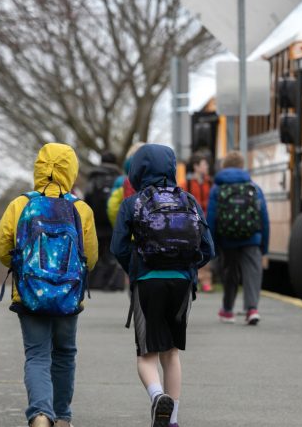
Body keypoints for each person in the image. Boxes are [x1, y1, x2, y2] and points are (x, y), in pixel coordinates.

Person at [0, 143, 98, 427]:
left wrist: (19, 266)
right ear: (71, 171)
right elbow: (91, 256)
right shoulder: (81, 209)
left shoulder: (20, 205)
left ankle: (40, 414)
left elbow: (2, 247)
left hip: (30, 294)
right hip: (68, 296)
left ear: (39, 168)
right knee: (64, 354)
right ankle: (62, 417)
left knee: (37, 355)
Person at [111, 144, 214, 427]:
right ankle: (173, 420)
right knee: (171, 353)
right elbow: (208, 248)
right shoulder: (189, 200)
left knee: (147, 354)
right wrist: (188, 268)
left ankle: (157, 397)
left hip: (147, 282)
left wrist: (135, 269)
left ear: (138, 169)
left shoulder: (133, 203)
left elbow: (118, 247)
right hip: (181, 284)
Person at [206, 151, 269, 325]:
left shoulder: (217, 188)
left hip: (227, 239)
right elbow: (264, 217)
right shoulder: (254, 187)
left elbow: (211, 217)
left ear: (224, 166)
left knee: (229, 274)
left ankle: (227, 311)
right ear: (242, 166)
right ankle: (252, 309)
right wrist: (264, 246)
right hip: (252, 238)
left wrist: (211, 244)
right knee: (252, 274)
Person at [84, 151, 125, 290]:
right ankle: (113, 283)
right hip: (113, 221)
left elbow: (86, 200)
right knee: (112, 253)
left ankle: (95, 283)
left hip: (95, 221)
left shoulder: (93, 178)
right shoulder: (119, 179)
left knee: (97, 251)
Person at [183, 151, 214, 293]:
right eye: (203, 164)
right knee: (193, 251)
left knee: (207, 249)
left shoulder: (211, 183)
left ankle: (206, 280)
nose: (206, 167)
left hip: (207, 223)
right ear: (196, 167)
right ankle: (195, 278)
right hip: (191, 224)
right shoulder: (186, 184)